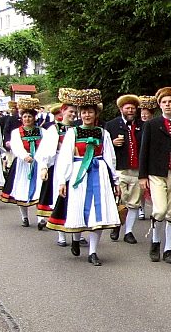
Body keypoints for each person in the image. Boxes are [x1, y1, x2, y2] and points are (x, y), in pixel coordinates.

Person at [46, 89, 121, 266]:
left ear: (96, 114)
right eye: (84, 112)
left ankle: (93, 252)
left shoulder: (104, 134)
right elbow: (65, 157)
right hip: (78, 172)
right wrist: (62, 180)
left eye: (90, 112)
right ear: (80, 114)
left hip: (99, 172)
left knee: (98, 213)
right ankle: (76, 238)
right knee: (77, 206)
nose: (87, 115)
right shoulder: (73, 133)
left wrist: (115, 181)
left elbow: (110, 157)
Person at [138, 87, 171, 264]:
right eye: (164, 102)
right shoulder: (152, 125)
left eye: (170, 102)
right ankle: (155, 242)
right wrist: (142, 175)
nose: (167, 105)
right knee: (159, 210)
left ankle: (168, 249)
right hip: (156, 172)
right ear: (159, 105)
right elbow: (144, 150)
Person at [36, 93, 78, 243]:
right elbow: (45, 151)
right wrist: (44, 167)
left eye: (75, 112)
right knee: (59, 198)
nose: (73, 114)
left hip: (76, 166)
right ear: (63, 111)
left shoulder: (77, 129)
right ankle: (61, 234)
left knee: (74, 199)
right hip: (58, 166)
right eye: (70, 111)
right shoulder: (54, 129)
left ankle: (75, 232)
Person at [0, 98, 45, 227]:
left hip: (38, 163)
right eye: (25, 116)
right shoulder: (16, 132)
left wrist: (40, 158)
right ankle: (24, 217)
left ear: (34, 118)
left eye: (30, 116)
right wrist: (25, 156)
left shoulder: (42, 132)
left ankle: (41, 218)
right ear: (21, 118)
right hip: (22, 164)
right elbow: (16, 146)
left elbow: (46, 146)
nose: (27, 119)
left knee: (40, 189)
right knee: (21, 189)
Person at [105, 94, 144, 244]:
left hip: (137, 170)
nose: (130, 110)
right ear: (121, 109)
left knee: (134, 202)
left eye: (132, 108)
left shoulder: (143, 125)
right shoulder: (111, 125)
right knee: (119, 200)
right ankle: (116, 225)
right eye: (127, 108)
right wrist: (112, 143)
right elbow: (104, 148)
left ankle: (129, 231)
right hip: (119, 169)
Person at [137, 95, 158, 220]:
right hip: (139, 158)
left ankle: (155, 207)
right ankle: (141, 207)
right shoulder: (137, 126)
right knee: (140, 186)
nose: (144, 116)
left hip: (151, 158)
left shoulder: (154, 126)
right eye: (142, 113)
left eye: (146, 114)